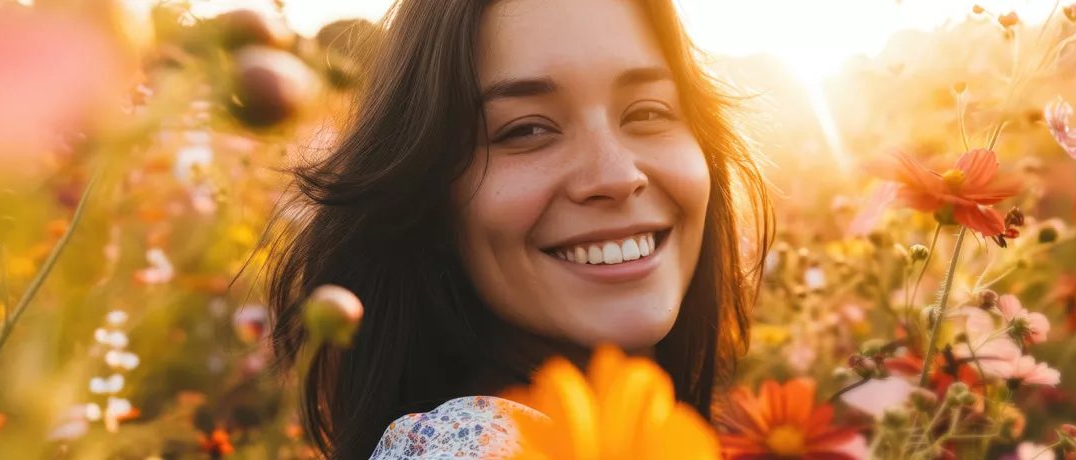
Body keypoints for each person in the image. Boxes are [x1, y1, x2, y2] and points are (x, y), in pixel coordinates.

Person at [265, 0, 772, 457]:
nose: (617, 176)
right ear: (427, 199)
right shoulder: (469, 448)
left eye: (648, 111)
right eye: (526, 129)